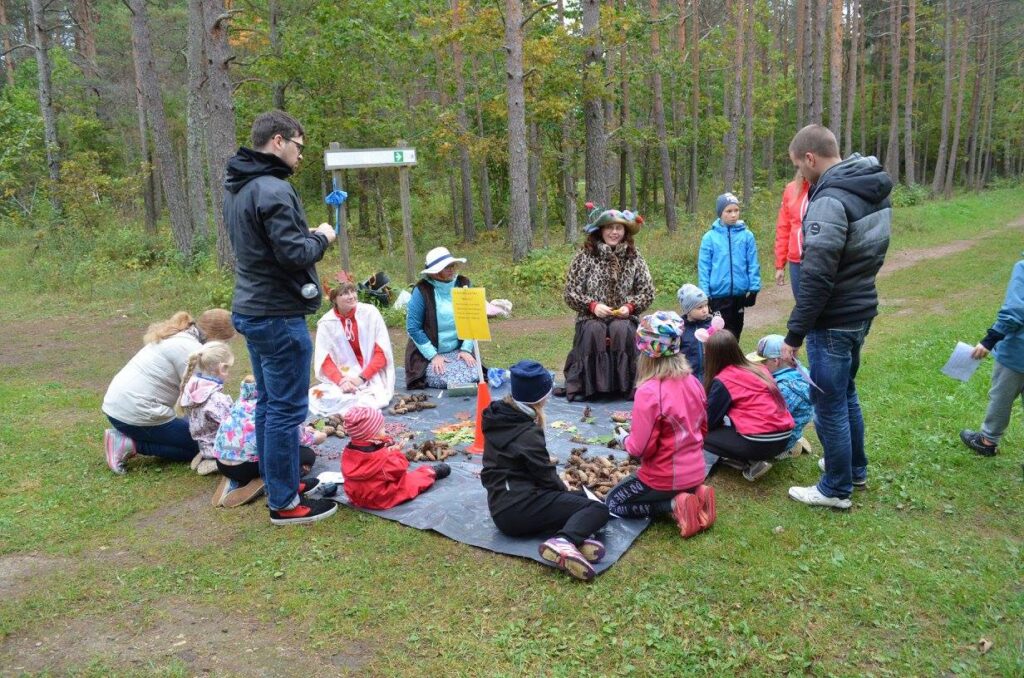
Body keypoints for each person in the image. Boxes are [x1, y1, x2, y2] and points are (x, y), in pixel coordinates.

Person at [224, 109, 338, 526]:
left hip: (253, 309)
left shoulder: (239, 186)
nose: (301, 155)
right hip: (277, 315)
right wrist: (322, 236)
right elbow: (293, 254)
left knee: (269, 405)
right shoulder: (272, 188)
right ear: (278, 141)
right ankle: (286, 503)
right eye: (298, 146)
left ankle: (281, 483)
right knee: (286, 411)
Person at [781, 124, 891, 509]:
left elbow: (817, 277)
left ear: (811, 158)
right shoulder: (870, 187)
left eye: (799, 166)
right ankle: (854, 469)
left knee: (827, 402)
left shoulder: (829, 200)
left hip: (833, 320)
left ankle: (835, 488)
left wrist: (794, 335)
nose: (800, 174)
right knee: (846, 393)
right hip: (861, 308)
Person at [481, 360, 609, 581]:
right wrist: (562, 487)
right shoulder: (527, 433)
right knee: (597, 508)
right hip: (519, 509)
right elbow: (546, 477)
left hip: (501, 506)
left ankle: (573, 541)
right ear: (540, 397)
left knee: (583, 499)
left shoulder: (498, 416)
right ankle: (564, 541)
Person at [605, 312, 715, 539]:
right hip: (697, 470)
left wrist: (623, 438)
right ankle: (697, 494)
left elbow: (640, 448)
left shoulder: (649, 391)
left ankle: (674, 505)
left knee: (613, 503)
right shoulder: (693, 382)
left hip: (663, 477)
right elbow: (703, 428)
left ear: (643, 352)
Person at [102, 309, 235, 474]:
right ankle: (129, 444)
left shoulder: (180, 335)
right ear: (215, 338)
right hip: (136, 413)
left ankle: (132, 438)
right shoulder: (193, 350)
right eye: (226, 342)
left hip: (119, 407)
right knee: (205, 445)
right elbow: (203, 402)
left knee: (199, 436)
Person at [560, 204, 655, 401]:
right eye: (609, 228)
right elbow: (570, 292)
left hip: (624, 317)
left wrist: (629, 307)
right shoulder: (585, 255)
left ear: (625, 231)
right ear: (600, 230)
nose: (614, 232)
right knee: (594, 330)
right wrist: (592, 306)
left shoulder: (634, 256)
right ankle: (589, 388)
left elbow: (647, 292)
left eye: (619, 228)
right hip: (590, 316)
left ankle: (624, 387)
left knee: (621, 330)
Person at [212, 376, 325, 508]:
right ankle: (266, 479)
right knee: (308, 455)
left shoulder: (240, 402)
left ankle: (232, 479)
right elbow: (296, 438)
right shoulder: (276, 405)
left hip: (222, 464)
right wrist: (318, 437)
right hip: (248, 467)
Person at [702, 329, 795, 482]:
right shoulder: (759, 368)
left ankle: (749, 461)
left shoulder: (724, 379)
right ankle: (752, 458)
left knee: (701, 434)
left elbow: (709, 422)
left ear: (713, 355)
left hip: (760, 442)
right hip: (784, 436)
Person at [959, 258, 1024, 458]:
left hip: (1017, 352)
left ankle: (987, 441)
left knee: (1001, 396)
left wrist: (990, 340)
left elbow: (1015, 309)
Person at [341, 406, 450, 510]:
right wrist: (396, 453)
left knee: (377, 479)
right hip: (377, 498)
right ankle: (431, 472)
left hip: (356, 496)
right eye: (382, 428)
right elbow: (400, 469)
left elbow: (368, 463)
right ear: (373, 435)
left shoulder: (348, 451)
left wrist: (387, 451)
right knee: (411, 481)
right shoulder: (381, 458)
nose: (385, 429)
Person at [314, 279, 395, 410]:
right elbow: (325, 358)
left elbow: (382, 352)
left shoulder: (370, 313)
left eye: (353, 291)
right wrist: (341, 381)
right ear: (334, 299)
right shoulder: (326, 323)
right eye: (345, 293)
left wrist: (361, 378)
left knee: (370, 401)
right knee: (318, 397)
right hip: (342, 376)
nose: (351, 296)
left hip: (370, 373)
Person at [404, 246, 478, 390]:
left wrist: (466, 349)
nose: (451, 269)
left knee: (476, 371)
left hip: (458, 350)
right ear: (434, 272)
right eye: (446, 267)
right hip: (428, 354)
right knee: (445, 376)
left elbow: (473, 319)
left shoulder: (464, 284)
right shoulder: (422, 290)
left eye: (452, 265)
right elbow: (413, 328)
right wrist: (433, 356)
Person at [698, 192, 761, 340]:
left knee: (736, 331)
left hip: (739, 295)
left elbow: (753, 263)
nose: (733, 215)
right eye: (728, 211)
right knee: (720, 334)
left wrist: (754, 290)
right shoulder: (709, 238)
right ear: (720, 213)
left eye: (736, 210)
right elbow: (704, 268)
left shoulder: (747, 236)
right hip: (718, 295)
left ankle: (734, 355)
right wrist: (706, 295)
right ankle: (719, 356)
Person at [747, 334, 814, 457]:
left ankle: (787, 450)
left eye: (763, 362)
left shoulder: (785, 389)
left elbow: (765, 419)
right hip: (791, 429)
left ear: (776, 361)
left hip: (780, 441)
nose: (760, 366)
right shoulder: (797, 370)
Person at [177, 341, 236, 476]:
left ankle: (205, 456)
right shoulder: (216, 399)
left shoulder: (192, 388)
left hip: (204, 444)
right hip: (220, 447)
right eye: (228, 368)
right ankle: (217, 462)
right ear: (222, 368)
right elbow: (232, 426)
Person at [774, 173, 810, 299]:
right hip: (796, 260)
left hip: (820, 258)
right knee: (801, 303)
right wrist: (780, 265)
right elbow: (784, 228)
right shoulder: (791, 189)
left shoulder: (824, 185)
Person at [677, 283, 713, 381]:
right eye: (699, 307)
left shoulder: (711, 325)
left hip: (710, 375)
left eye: (705, 305)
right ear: (688, 310)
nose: (705, 310)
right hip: (689, 377)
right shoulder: (680, 329)